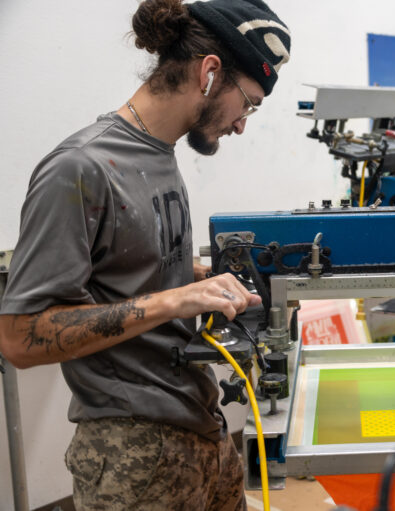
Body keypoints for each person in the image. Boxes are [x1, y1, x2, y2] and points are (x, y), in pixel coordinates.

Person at [0, 0, 290, 508]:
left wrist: (205, 276)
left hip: (202, 429)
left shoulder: (160, 153)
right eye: (248, 103)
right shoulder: (81, 168)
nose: (243, 124)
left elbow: (127, 271)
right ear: (209, 72)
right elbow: (21, 338)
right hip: (133, 457)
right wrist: (174, 300)